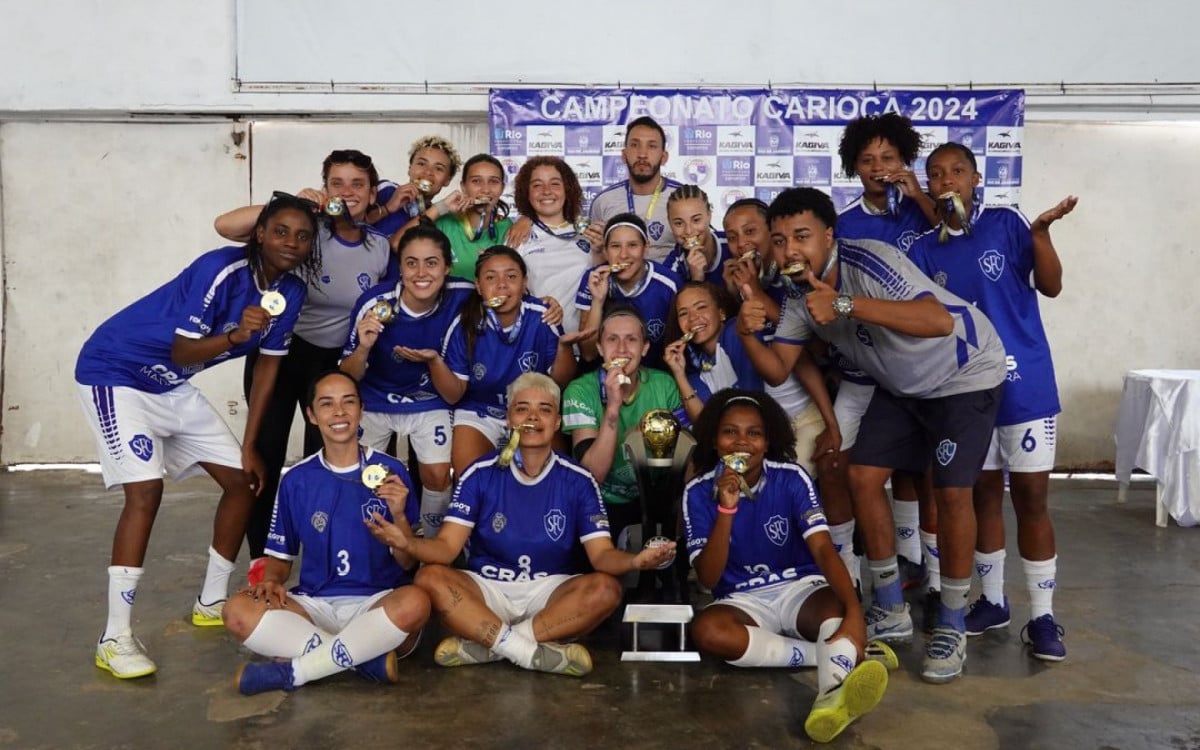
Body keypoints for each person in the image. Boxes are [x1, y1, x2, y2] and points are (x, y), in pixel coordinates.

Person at [737, 187, 1007, 684]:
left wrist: (841, 303)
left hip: (964, 373)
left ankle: (951, 618)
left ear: (829, 236)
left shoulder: (871, 259)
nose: (790, 250)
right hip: (901, 386)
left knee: (951, 493)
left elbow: (937, 319)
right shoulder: (797, 295)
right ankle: (889, 608)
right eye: (779, 241)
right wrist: (748, 328)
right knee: (860, 475)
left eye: (802, 236)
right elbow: (778, 371)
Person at [76, 192, 319, 678]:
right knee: (145, 491)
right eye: (280, 231)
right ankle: (115, 636)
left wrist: (251, 447)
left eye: (303, 236)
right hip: (116, 371)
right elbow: (185, 351)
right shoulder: (220, 269)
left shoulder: (290, 293)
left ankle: (211, 600)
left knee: (244, 481)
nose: (291, 242)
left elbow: (268, 369)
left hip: (170, 386)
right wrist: (236, 336)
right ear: (259, 234)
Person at [368, 373, 676, 677]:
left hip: (550, 592)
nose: (532, 417)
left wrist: (636, 560)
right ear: (508, 420)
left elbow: (602, 557)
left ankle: (492, 645)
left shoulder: (578, 480)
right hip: (488, 589)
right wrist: (407, 542)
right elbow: (447, 549)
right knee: (430, 577)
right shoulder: (479, 473)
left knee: (606, 589)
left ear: (557, 423)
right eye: (522, 408)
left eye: (544, 409)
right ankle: (527, 651)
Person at [909, 141, 1077, 662]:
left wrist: (1042, 235)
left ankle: (1044, 617)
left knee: (1030, 501)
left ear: (976, 179)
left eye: (957, 171)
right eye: (936, 175)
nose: (947, 181)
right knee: (981, 497)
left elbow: (1051, 286)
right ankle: (995, 601)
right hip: (964, 395)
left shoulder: (1006, 225)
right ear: (929, 187)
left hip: (1025, 388)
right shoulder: (922, 250)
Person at [214, 149, 395, 582]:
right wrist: (291, 204)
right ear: (325, 188)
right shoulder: (305, 228)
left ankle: (328, 556)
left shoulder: (381, 247)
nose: (347, 192)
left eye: (357, 184)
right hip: (280, 351)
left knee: (331, 462)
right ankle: (262, 562)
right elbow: (225, 226)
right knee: (265, 456)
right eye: (337, 183)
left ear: (372, 194)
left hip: (333, 365)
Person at [683, 390, 891, 744]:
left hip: (799, 589)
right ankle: (828, 654)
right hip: (741, 600)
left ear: (767, 441)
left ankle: (830, 696)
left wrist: (855, 612)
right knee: (707, 632)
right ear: (715, 441)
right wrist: (726, 510)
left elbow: (824, 549)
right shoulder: (697, 491)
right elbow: (708, 577)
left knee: (835, 609)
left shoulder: (791, 477)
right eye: (730, 432)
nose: (742, 443)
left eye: (754, 434)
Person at [224, 370, 431, 695]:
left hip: (377, 604)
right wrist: (271, 580)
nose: (339, 413)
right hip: (315, 606)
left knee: (417, 602)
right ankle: (362, 660)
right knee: (237, 610)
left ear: (361, 409)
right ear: (311, 415)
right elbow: (280, 560)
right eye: (327, 404)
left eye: (348, 402)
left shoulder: (393, 471)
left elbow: (407, 564)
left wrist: (400, 516)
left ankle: (299, 669)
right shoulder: (296, 479)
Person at [836, 113, 942, 601]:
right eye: (867, 159)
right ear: (853, 168)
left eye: (888, 158)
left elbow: (954, 246)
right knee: (872, 465)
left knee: (924, 472)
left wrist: (919, 195)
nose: (878, 167)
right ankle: (894, 560)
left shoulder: (926, 210)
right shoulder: (845, 224)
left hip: (929, 362)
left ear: (905, 160)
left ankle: (929, 566)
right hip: (870, 364)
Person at [340, 224, 474, 534]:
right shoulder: (374, 303)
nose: (421, 272)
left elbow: (507, 295)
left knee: (438, 475)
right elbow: (347, 375)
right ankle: (367, 540)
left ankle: (429, 544)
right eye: (411, 262)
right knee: (364, 475)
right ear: (400, 268)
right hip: (373, 396)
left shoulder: (465, 295)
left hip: (429, 399)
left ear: (447, 267)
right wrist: (363, 347)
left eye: (431, 262)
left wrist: (551, 306)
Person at [663, 282, 838, 478]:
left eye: (701, 307)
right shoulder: (696, 369)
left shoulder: (734, 332)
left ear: (721, 313)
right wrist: (679, 373)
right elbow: (706, 422)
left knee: (779, 482)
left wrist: (832, 425)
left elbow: (755, 398)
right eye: (683, 313)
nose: (693, 318)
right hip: (762, 436)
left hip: (803, 421)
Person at [431, 246, 576, 476]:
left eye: (511, 276)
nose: (502, 285)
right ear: (478, 286)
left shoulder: (543, 315)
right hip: (480, 411)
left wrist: (565, 346)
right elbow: (454, 394)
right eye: (491, 277)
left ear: (524, 282)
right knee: (470, 478)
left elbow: (561, 380)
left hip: (531, 409)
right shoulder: (464, 323)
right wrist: (434, 362)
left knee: (550, 476)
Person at [562, 306, 684, 543]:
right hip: (602, 499)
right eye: (612, 340)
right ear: (599, 348)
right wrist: (612, 409)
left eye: (631, 340)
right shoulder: (580, 390)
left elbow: (683, 459)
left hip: (655, 494)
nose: (621, 349)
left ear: (645, 347)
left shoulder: (664, 384)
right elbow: (592, 474)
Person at [575, 213, 682, 367]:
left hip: (658, 374)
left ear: (646, 248)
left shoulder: (669, 283)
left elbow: (678, 347)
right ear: (605, 251)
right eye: (615, 246)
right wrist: (598, 301)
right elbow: (589, 354)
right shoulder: (594, 279)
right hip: (608, 372)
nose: (623, 255)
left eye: (632, 245)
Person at [511, 156, 599, 333]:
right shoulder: (518, 236)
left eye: (555, 184)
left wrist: (604, 249)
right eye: (537, 185)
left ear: (567, 189)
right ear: (526, 193)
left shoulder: (589, 234)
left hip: (582, 343)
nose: (546, 191)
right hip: (534, 342)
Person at [587, 116, 682, 262]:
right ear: (624, 155)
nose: (642, 154)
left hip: (671, 283)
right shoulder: (603, 201)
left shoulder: (683, 198)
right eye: (635, 145)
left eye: (652, 146)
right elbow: (596, 256)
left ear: (664, 157)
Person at [432, 154, 515, 279]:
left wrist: (527, 219)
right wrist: (441, 207)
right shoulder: (443, 223)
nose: (485, 190)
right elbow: (398, 243)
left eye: (493, 181)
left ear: (502, 188)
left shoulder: (508, 227)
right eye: (476, 181)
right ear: (463, 187)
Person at [369, 135, 462, 241]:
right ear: (410, 169)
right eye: (421, 164)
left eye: (438, 169)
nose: (428, 172)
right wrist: (387, 208)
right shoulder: (385, 189)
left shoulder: (438, 219)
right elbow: (351, 223)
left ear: (447, 180)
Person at [662, 185, 732, 286]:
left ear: (709, 215)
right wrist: (697, 279)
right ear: (669, 223)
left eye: (696, 220)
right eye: (679, 223)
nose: (689, 231)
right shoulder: (671, 270)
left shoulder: (732, 243)